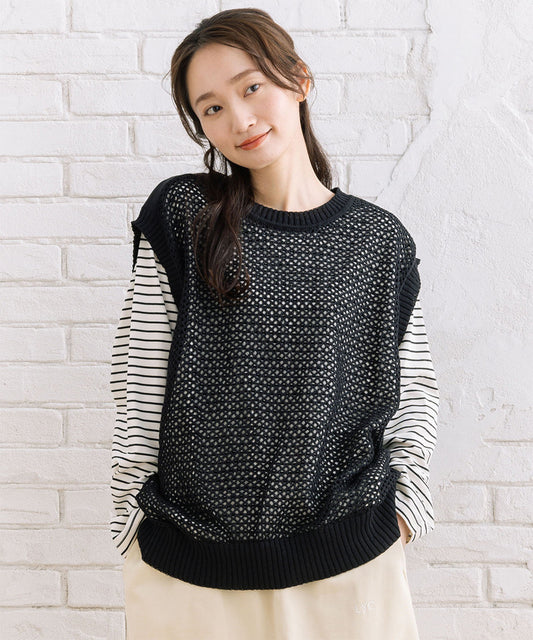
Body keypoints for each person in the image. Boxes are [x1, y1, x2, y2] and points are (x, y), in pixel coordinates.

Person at [109, 8, 439, 639]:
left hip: (349, 562)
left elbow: (413, 391)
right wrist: (131, 527)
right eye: (211, 108)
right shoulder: (184, 214)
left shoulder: (378, 241)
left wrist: (405, 515)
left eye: (252, 87)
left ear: (299, 79)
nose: (239, 119)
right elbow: (139, 380)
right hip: (188, 570)